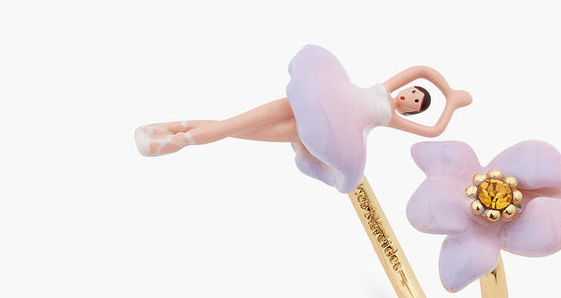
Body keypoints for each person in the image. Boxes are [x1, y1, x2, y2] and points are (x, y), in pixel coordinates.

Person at [134, 45, 472, 192]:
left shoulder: (391, 119)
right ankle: (172, 137)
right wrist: (447, 89)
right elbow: (421, 69)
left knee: (239, 128)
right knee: (237, 124)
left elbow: (432, 131)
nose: (408, 98)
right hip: (318, 93)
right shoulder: (385, 88)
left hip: (328, 131)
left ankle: (173, 137)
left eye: (414, 103)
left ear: (411, 111)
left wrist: (451, 105)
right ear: (408, 88)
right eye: (412, 92)